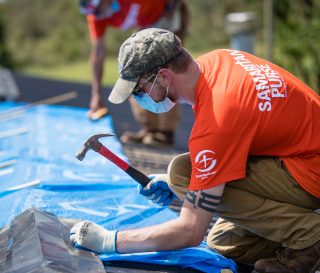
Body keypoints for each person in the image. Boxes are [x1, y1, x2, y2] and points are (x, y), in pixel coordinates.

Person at [70, 28, 320, 273]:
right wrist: (177, 186)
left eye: (138, 89)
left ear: (164, 77)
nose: (139, 98)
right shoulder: (220, 59)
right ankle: (294, 239)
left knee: (184, 173)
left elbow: (190, 231)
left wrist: (109, 241)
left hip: (310, 169)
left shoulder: (217, 119)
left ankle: (310, 238)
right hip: (302, 155)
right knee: (224, 243)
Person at [79, 0, 189, 146]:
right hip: (147, 25)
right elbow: (98, 53)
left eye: (99, 10)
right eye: (93, 13)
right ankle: (150, 128)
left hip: (169, 13)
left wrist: (171, 4)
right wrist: (96, 95)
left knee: (164, 69)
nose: (98, 16)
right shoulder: (96, 16)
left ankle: (166, 132)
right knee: (133, 70)